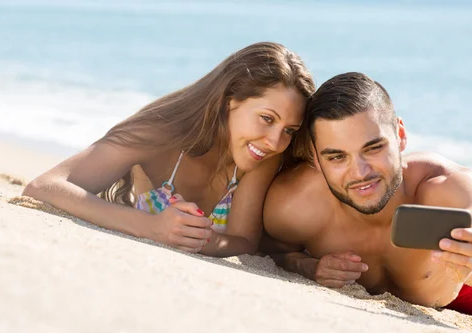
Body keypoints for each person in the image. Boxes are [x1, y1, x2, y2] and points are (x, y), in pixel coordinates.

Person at [262, 72, 472, 322]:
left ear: (400, 135)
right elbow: (272, 251)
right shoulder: (295, 205)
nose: (360, 172)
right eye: (337, 157)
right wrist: (308, 267)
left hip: (469, 285)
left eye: (373, 148)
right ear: (315, 158)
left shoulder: (444, 186)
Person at [23, 42, 315, 257]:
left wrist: (194, 238)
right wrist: (151, 227)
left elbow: (244, 242)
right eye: (267, 119)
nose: (276, 142)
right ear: (229, 100)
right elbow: (44, 186)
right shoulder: (158, 132)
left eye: (289, 130)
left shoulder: (261, 155)